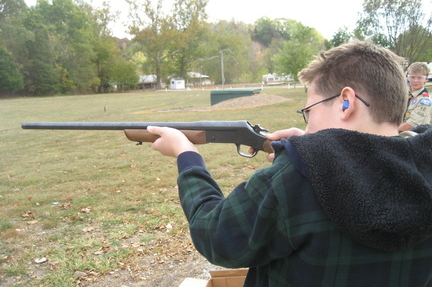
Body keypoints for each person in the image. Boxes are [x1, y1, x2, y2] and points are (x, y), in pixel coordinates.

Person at [147, 41, 432, 286]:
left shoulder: (296, 177)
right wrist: (316, 149)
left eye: (309, 112)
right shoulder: (425, 166)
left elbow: (216, 236)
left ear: (347, 102)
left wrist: (187, 155)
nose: (306, 125)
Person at [398, 62, 432, 131]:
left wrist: (389, 131)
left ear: (425, 79)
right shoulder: (404, 95)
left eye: (420, 78)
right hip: (401, 134)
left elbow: (411, 125)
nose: (415, 81)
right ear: (408, 78)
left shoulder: (424, 101)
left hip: (415, 138)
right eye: (412, 77)